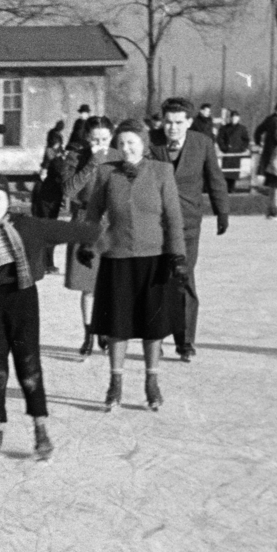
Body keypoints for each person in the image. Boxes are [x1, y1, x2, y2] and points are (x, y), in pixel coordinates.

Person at [0, 173, 99, 462]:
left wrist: (94, 235)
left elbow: (64, 230)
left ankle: (40, 428)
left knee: (29, 370)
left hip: (24, 302)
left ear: (8, 200)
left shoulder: (28, 226)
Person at [83, 119, 184, 412]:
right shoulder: (106, 173)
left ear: (144, 144)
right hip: (118, 259)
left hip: (154, 259)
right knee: (118, 325)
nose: (126, 148)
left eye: (132, 142)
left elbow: (173, 218)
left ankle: (151, 383)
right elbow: (93, 214)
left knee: (153, 327)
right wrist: (88, 245)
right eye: (122, 143)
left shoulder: (162, 172)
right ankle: (115, 384)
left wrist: (177, 255)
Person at [149, 97, 229, 363]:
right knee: (155, 280)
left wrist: (222, 211)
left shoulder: (202, 143)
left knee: (183, 279)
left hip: (188, 222)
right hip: (154, 223)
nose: (172, 128)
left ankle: (185, 342)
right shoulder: (151, 142)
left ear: (189, 122)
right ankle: (155, 340)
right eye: (168, 122)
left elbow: (215, 178)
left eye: (178, 123)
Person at [61, 116, 120, 357]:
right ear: (87, 138)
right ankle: (88, 334)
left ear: (112, 136)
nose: (100, 143)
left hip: (112, 222)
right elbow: (69, 189)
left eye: (105, 139)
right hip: (85, 221)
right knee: (88, 284)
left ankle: (104, 328)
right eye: (95, 139)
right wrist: (91, 164)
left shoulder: (118, 156)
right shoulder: (76, 156)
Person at [217, 111, 251, 194]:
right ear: (230, 118)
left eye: (236, 117)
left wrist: (242, 149)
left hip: (236, 153)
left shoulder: (242, 128)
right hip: (227, 153)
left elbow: (246, 140)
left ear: (238, 118)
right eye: (232, 117)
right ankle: (226, 189)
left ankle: (231, 188)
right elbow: (220, 139)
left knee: (234, 172)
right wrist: (224, 148)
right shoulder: (224, 128)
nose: (234, 119)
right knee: (226, 172)